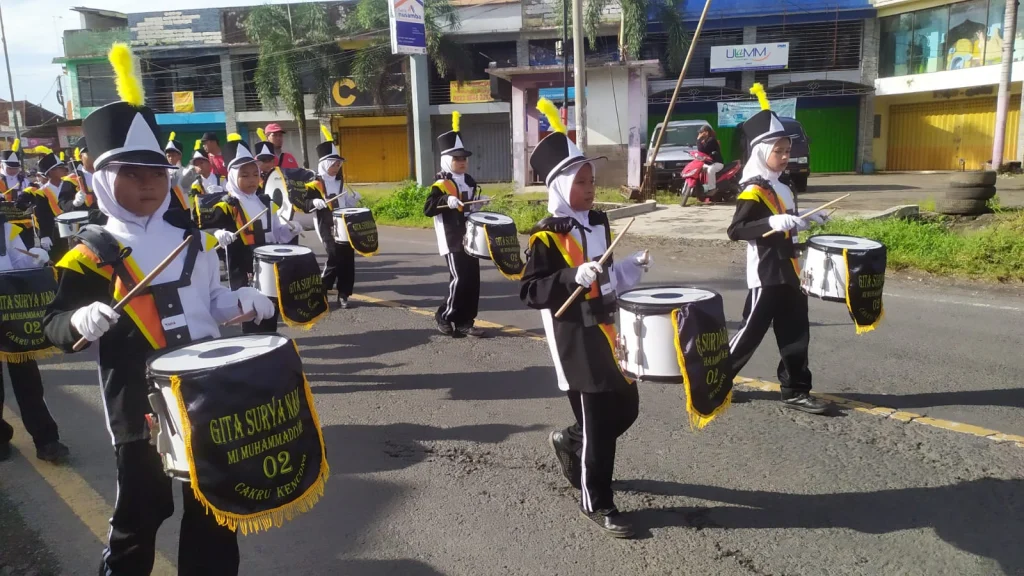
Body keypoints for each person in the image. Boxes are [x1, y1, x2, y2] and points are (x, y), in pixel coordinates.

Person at [42, 43, 275, 575]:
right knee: (141, 513)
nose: (149, 184)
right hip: (138, 404)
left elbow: (211, 304)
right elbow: (53, 323)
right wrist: (80, 319)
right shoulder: (88, 254)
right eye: (132, 173)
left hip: (204, 394)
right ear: (103, 178)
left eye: (157, 173)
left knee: (216, 510)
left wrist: (239, 302)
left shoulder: (192, 240)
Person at [520, 98, 651, 539]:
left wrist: (626, 270)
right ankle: (598, 501)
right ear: (559, 187)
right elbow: (531, 291)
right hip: (575, 338)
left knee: (627, 409)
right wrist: (569, 275)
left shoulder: (599, 221)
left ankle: (571, 441)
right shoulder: (546, 234)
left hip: (611, 330)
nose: (591, 188)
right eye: (582, 181)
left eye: (592, 180)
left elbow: (606, 275)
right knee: (599, 423)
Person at [725, 84, 830, 416]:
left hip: (792, 270)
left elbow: (788, 221)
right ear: (760, 152)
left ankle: (796, 389)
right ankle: (715, 382)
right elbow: (737, 230)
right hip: (766, 273)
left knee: (797, 331)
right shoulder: (753, 189)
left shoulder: (783, 186)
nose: (786, 157)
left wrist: (805, 222)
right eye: (779, 151)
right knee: (749, 333)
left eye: (788, 150)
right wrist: (775, 223)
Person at [204, 134, 302, 333]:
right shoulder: (225, 205)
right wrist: (218, 234)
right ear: (232, 176)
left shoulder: (265, 202)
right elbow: (206, 231)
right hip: (243, 267)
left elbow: (277, 234)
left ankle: (270, 343)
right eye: (244, 175)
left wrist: (290, 229)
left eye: (254, 174)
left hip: (268, 265)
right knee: (250, 313)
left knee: (269, 309)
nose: (251, 180)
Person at [0, 218, 68, 463]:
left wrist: (35, 259)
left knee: (28, 382)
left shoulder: (4, 228)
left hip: (10, 313)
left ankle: (46, 440)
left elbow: (20, 265)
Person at [423, 112, 489, 338]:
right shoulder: (440, 184)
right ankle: (444, 315)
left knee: (473, 280)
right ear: (446, 160)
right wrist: (446, 201)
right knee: (459, 278)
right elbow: (428, 208)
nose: (462, 162)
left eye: (464, 159)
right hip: (452, 237)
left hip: (471, 237)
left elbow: (468, 207)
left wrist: (479, 204)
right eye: (457, 159)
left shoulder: (470, 181)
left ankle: (465, 321)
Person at [304, 125, 358, 308]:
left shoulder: (341, 182)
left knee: (348, 258)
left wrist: (352, 201)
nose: (336, 168)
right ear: (325, 164)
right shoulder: (314, 184)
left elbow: (343, 203)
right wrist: (314, 203)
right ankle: (322, 290)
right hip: (325, 224)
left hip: (343, 224)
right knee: (334, 256)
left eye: (338, 164)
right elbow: (304, 205)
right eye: (333, 164)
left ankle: (344, 293)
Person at [26, 148, 68, 262]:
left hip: (74, 229)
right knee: (58, 261)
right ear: (50, 172)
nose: (63, 170)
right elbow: (42, 215)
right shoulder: (42, 192)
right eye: (59, 168)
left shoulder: (70, 185)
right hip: (55, 232)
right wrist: (44, 235)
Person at [0, 139, 38, 247]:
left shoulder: (24, 180)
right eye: (10, 168)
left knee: (27, 246)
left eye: (15, 168)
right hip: (4, 221)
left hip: (23, 220)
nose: (13, 171)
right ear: (2, 166)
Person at [697, 125, 725, 192]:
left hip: (717, 163)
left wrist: (698, 140)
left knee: (710, 170)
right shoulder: (705, 141)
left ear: (706, 132)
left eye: (701, 132)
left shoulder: (711, 140)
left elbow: (702, 150)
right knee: (698, 169)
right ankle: (701, 187)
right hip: (709, 163)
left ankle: (712, 188)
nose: (699, 134)